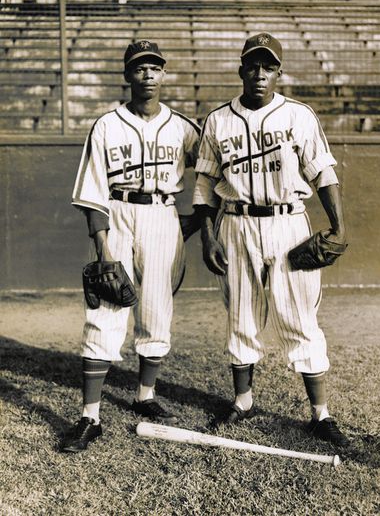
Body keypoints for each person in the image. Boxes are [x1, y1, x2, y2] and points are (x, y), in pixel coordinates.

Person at [193, 33, 349, 446]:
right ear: (241, 69)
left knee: (300, 318)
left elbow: (323, 174)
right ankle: (243, 402)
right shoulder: (218, 120)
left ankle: (320, 414)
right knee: (241, 317)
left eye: (268, 66)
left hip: (288, 224)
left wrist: (339, 226)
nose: (260, 74)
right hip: (238, 223)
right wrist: (208, 236)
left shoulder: (299, 116)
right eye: (252, 65)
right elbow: (205, 183)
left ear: (279, 72)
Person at [61, 40, 200, 452]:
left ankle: (145, 396)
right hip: (118, 212)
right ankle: (91, 416)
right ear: (128, 75)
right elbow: (93, 192)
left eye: (155, 68)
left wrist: (192, 222)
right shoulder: (106, 125)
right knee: (106, 309)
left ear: (163, 74)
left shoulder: (183, 127)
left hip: (162, 214)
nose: (148, 75)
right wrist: (104, 250)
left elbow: (214, 171)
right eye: (140, 68)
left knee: (157, 308)